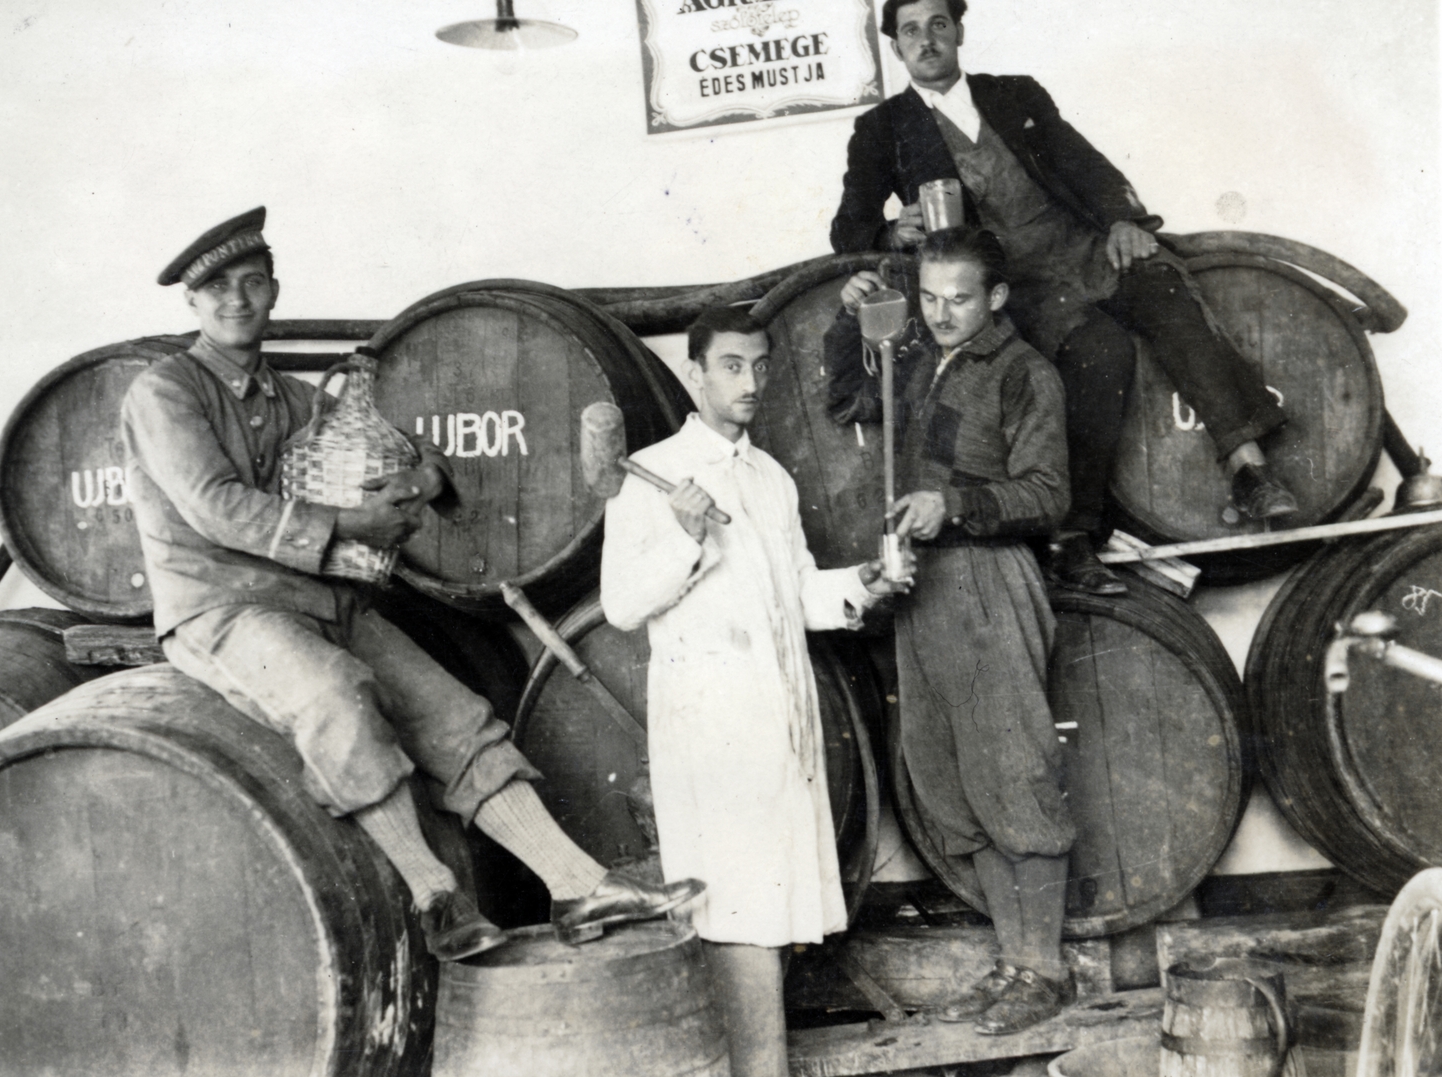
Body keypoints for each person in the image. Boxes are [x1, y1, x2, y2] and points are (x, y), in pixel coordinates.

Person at [120, 206, 702, 962]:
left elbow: (398, 450)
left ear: (273, 291)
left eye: (253, 283)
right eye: (219, 288)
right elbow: (217, 508)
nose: (238, 300)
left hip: (318, 596)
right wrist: (351, 524)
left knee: (454, 712)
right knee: (336, 695)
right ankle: (436, 896)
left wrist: (421, 474)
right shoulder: (165, 392)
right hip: (221, 608)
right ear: (193, 304)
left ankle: (578, 883)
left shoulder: (294, 398)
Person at [829, 0, 1297, 596]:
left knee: (1164, 286)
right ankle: (1074, 536)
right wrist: (893, 232)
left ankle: (1249, 469)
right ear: (896, 47)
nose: (926, 41)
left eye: (938, 26)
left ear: (959, 32)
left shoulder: (1016, 94)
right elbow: (848, 228)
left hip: (1080, 247)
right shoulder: (882, 128)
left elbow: (1085, 165)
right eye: (911, 32)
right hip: (1015, 283)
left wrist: (1124, 221)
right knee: (1099, 349)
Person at [601, 307, 903, 1076]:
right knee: (736, 908)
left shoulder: (771, 478)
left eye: (762, 366)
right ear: (695, 374)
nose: (750, 381)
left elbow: (798, 592)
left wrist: (860, 583)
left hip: (780, 718)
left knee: (765, 911)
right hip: (711, 731)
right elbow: (621, 605)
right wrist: (685, 536)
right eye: (732, 366)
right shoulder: (650, 476)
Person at [831, 227, 1076, 1034]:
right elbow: (845, 398)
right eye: (929, 297)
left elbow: (1048, 493)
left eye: (959, 298)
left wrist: (957, 505)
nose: (940, 313)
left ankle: (1043, 968)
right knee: (951, 782)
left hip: (987, 576)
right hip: (920, 589)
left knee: (1015, 773)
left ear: (996, 297)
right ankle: (1011, 962)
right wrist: (847, 319)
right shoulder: (917, 359)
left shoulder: (1023, 371)